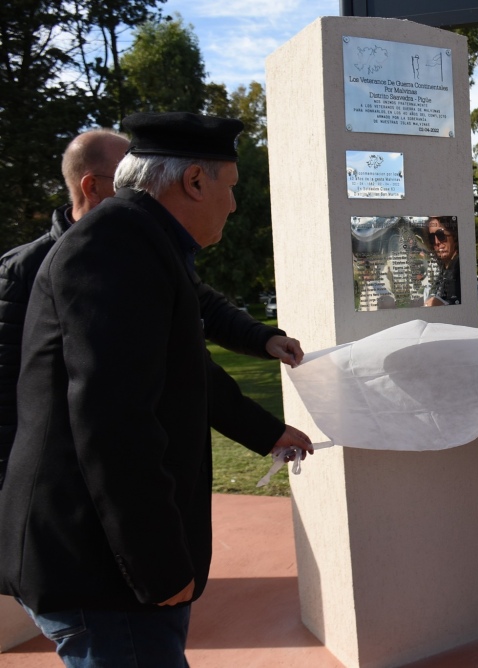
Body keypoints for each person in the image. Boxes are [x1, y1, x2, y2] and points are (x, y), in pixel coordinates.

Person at [0, 112, 310, 667]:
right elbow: (114, 422)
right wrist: (158, 566)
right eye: (231, 188)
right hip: (102, 570)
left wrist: (266, 429)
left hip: (104, 563)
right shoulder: (115, 248)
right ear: (194, 181)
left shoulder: (141, 242)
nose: (234, 206)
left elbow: (182, 368)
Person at [0, 129, 307, 490]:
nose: (145, 188)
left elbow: (201, 313)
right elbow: (9, 392)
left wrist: (263, 338)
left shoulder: (149, 255)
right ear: (92, 187)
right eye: (127, 179)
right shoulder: (27, 268)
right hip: (66, 484)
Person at [424, 215, 461, 306]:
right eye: (432, 237)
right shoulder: (443, 269)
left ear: (454, 235)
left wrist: (442, 304)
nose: (436, 242)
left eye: (441, 235)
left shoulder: (461, 267)